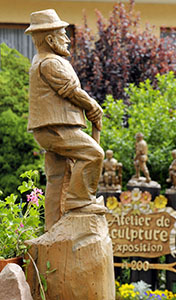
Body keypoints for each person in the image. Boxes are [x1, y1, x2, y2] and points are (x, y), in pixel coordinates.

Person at [25, 9, 105, 230]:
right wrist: (92, 105)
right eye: (62, 34)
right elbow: (71, 91)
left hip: (50, 129)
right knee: (93, 154)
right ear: (50, 39)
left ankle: (53, 228)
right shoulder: (50, 62)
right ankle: (80, 201)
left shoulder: (42, 60)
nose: (68, 39)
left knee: (58, 177)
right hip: (56, 128)